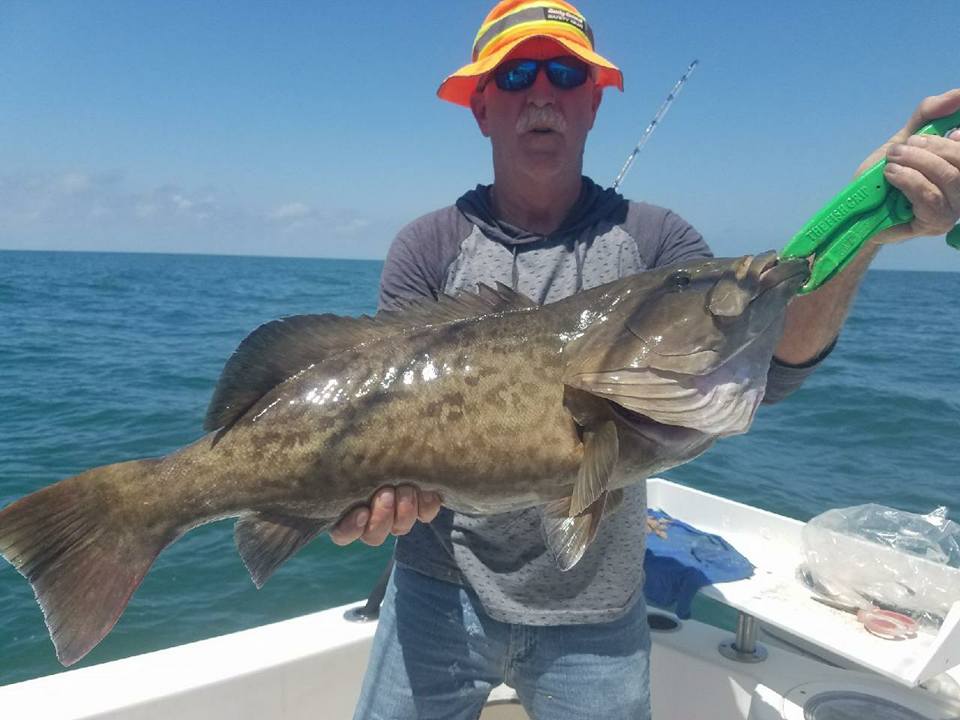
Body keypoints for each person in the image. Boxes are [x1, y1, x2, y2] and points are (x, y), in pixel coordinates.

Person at [333, 2, 960, 718]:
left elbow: (773, 369)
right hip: (435, 592)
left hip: (597, 620)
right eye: (514, 75)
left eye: (566, 72)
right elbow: (379, 414)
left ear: (593, 103)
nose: (542, 91)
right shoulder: (428, 247)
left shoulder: (660, 244)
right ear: (481, 107)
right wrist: (374, 498)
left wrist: (865, 222)